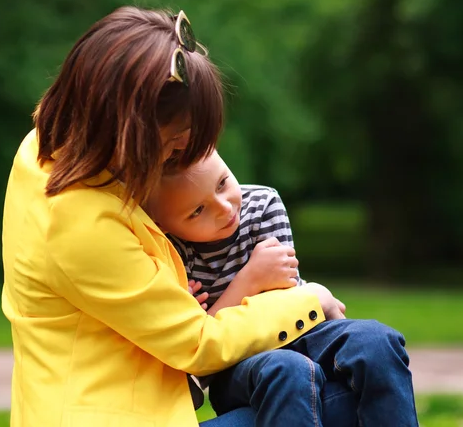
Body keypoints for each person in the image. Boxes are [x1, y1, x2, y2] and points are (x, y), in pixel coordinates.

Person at [1, 6, 347, 427]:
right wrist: (311, 299)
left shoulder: (44, 148)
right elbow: (198, 343)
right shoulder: (79, 222)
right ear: (127, 128)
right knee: (342, 405)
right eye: (173, 142)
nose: (177, 155)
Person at [146, 150, 420, 426]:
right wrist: (250, 279)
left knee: (375, 340)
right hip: (236, 366)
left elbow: (286, 299)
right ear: (163, 225)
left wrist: (220, 307)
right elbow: (201, 348)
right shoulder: (170, 252)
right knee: (286, 368)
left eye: (222, 184)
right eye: (197, 211)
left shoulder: (261, 204)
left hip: (301, 332)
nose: (225, 208)